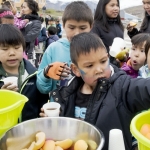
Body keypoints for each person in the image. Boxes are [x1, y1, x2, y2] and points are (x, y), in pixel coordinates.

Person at [40, 32, 150, 150]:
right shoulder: (67, 93)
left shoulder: (122, 88)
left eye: (103, 61)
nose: (99, 69)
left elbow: (144, 89)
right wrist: (51, 121)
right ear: (76, 69)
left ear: (108, 57)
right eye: (89, 65)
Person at [36, 1, 93, 95]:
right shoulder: (53, 49)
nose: (77, 33)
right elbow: (42, 88)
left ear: (91, 27)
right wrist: (47, 72)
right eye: (71, 27)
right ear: (63, 26)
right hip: (59, 106)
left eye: (82, 28)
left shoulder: (95, 51)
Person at [0, 24, 49, 121]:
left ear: (23, 48)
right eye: (5, 49)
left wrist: (44, 114)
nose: (12, 53)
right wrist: (3, 97)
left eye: (17, 47)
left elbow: (42, 102)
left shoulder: (34, 75)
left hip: (29, 130)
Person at [91, 0, 124, 66]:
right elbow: (93, 51)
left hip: (120, 67)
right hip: (105, 67)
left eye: (117, 5)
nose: (116, 8)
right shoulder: (96, 27)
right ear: (103, 7)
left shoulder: (119, 25)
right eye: (112, 5)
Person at [20, 0, 41, 64]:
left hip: (27, 53)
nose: (22, 9)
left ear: (31, 9)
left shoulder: (36, 22)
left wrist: (14, 40)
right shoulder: (20, 20)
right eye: (22, 7)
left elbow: (29, 37)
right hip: (17, 51)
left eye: (24, 7)